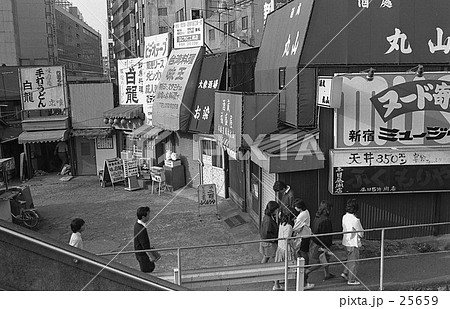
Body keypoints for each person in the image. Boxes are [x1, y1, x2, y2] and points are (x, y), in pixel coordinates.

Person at [305, 200, 335, 283]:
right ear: (327, 209)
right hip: (322, 244)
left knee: (324, 259)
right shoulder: (326, 220)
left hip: (315, 242)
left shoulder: (317, 217)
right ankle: (306, 272)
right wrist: (327, 246)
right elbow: (327, 235)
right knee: (320, 262)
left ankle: (327, 274)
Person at [292, 198, 314, 290]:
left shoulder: (302, 215)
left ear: (299, 207)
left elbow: (296, 228)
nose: (295, 208)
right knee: (304, 252)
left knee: (302, 252)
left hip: (303, 236)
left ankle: (304, 268)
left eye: (296, 207)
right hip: (306, 235)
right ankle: (304, 266)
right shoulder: (306, 212)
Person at [341, 198, 364, 285]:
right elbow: (361, 233)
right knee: (354, 262)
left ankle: (345, 272)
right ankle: (351, 280)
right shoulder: (355, 220)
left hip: (345, 241)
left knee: (349, 259)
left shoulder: (344, 216)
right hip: (353, 243)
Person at [272, 212, 294, 291]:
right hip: (286, 249)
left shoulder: (282, 224)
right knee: (285, 267)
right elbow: (287, 238)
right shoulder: (289, 227)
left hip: (280, 247)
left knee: (278, 266)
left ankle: (276, 283)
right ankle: (277, 284)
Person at [134, 206, 155, 273]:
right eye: (148, 214)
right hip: (142, 255)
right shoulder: (141, 229)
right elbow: (144, 244)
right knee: (148, 270)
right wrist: (152, 255)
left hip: (141, 254)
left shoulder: (137, 225)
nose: (149, 216)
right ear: (143, 217)